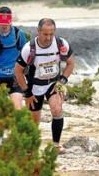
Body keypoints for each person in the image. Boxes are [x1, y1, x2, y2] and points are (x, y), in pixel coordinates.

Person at [14, 18, 75, 153]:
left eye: (51, 34)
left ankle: (56, 145)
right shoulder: (29, 49)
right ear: (38, 31)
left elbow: (70, 63)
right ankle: (31, 148)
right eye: (45, 34)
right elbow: (17, 71)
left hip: (53, 83)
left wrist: (62, 81)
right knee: (34, 121)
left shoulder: (61, 44)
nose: (48, 38)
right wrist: (27, 93)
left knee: (57, 109)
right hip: (34, 86)